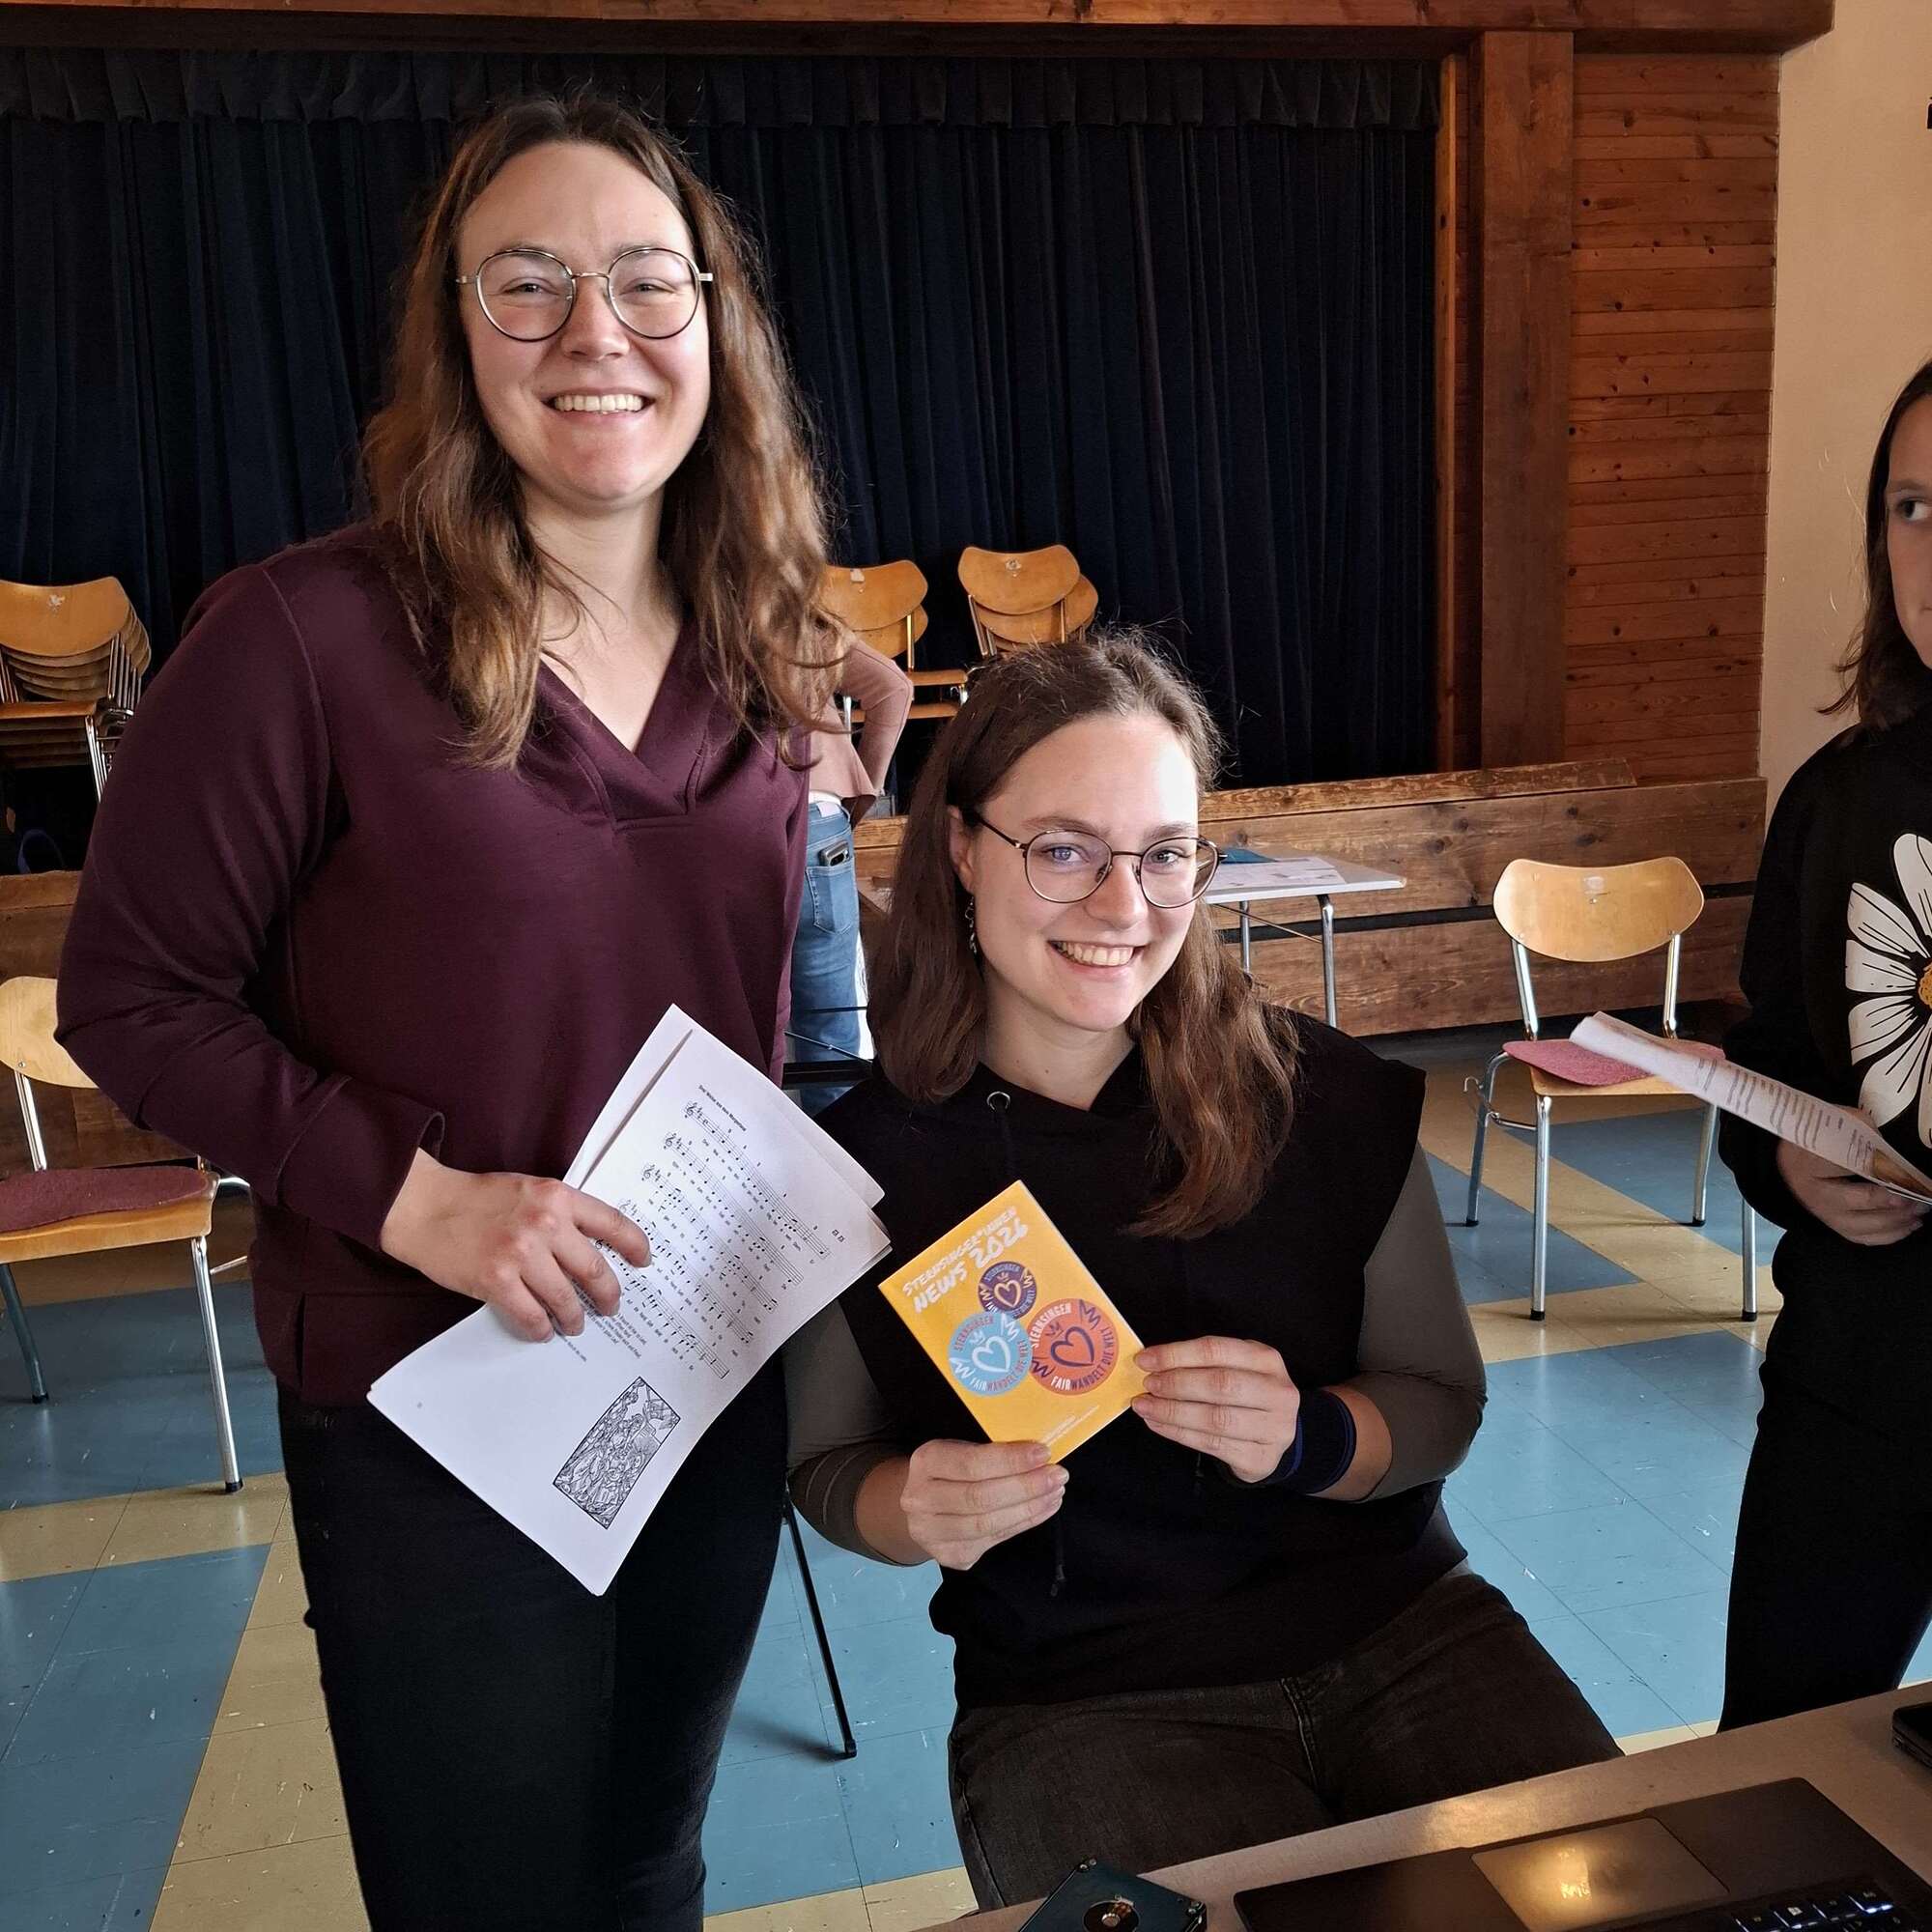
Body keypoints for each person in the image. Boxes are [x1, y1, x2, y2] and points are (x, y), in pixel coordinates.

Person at [57, 96, 841, 1931]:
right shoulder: (301, 641)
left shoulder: (765, 644)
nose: (598, 334)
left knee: (649, 1866)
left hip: (695, 1370)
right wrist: (421, 1200)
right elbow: (130, 994)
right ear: (451, 327)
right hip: (434, 1399)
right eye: (530, 283)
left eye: (651, 280)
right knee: (482, 1894)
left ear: (717, 320)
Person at [786, 630, 1618, 1906]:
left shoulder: (1321, 1097)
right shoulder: (862, 1167)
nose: (1125, 909)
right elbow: (827, 1469)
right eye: (1064, 850)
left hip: (1405, 1633)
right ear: (960, 846)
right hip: (1083, 1697)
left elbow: (1440, 1406)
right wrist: (912, 1510)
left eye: (1164, 854)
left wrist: (1315, 1438)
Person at [1718, 358, 1932, 1730]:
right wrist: (1793, 1170)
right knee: (1773, 1778)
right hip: (1856, 1390)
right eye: (1915, 505)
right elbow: (1770, 1068)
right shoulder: (1838, 796)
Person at [789, 641, 912, 1111]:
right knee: (832, 1017)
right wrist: (866, 786)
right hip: (819, 815)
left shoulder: (667, 605)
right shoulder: (789, 611)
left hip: (727, 828)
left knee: (741, 1021)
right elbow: (891, 687)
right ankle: (843, 1168)